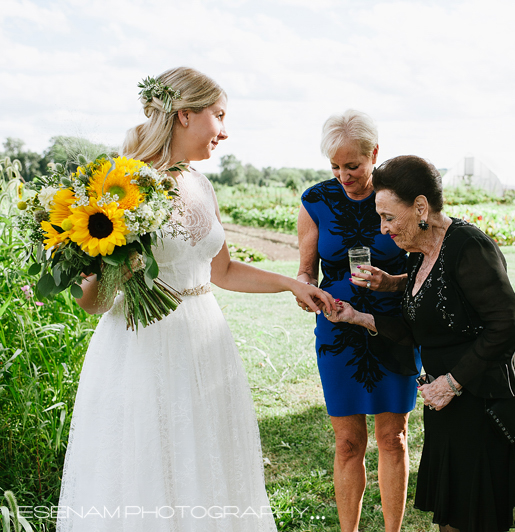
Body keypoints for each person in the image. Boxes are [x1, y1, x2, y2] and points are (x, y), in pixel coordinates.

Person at [57, 67, 334, 532]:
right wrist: (118, 268)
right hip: (140, 346)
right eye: (219, 116)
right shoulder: (116, 186)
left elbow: (222, 271)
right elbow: (91, 302)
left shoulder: (201, 185)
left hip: (204, 339)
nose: (224, 131)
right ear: (185, 115)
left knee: (208, 460)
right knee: (148, 462)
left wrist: (290, 283)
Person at [327, 155, 515, 532]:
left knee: (473, 520)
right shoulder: (421, 252)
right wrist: (358, 316)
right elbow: (420, 325)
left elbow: (508, 323)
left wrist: (451, 383)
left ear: (420, 207)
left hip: (481, 405)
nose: (383, 229)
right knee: (454, 519)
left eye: (388, 217)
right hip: (449, 408)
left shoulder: (468, 247)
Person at [295, 109, 420, 532]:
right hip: (338, 330)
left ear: (375, 154)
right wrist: (304, 289)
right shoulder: (315, 201)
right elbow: (306, 270)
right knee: (348, 444)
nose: (343, 176)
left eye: (353, 166)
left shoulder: (401, 196)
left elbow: (431, 272)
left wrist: (391, 282)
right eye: (335, 166)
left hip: (394, 329)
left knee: (393, 438)